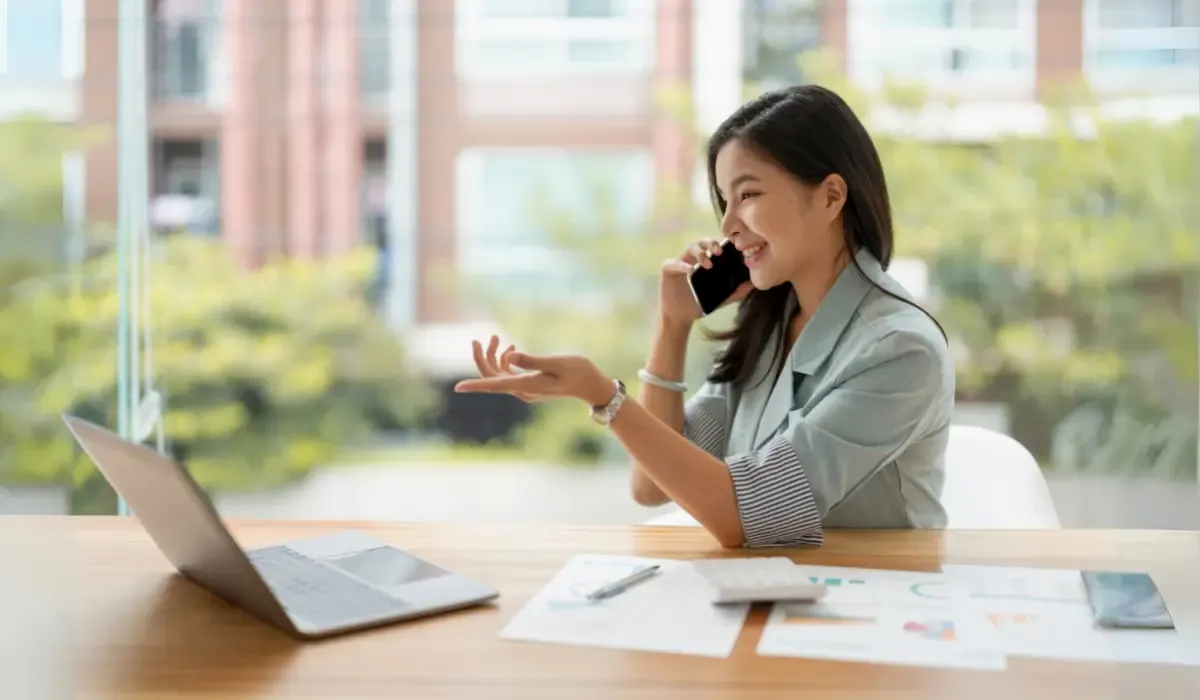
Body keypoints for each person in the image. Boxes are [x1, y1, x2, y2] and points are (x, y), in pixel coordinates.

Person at [454, 85, 955, 548]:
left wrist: (603, 395)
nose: (729, 224)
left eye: (748, 195)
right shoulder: (773, 326)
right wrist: (673, 325)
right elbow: (651, 484)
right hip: (778, 594)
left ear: (829, 196)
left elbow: (742, 515)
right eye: (725, 200)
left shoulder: (900, 350)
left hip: (881, 608)